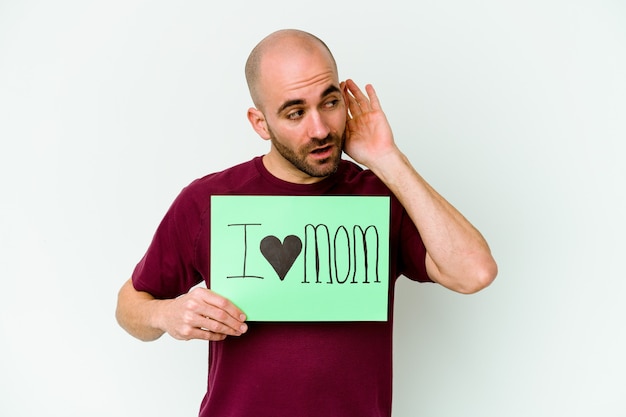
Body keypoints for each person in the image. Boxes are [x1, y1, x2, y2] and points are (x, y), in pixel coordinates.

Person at [116, 28, 497, 417]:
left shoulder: (381, 197)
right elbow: (129, 306)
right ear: (260, 123)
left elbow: (474, 272)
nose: (320, 129)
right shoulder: (206, 202)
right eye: (295, 112)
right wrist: (166, 314)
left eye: (329, 103)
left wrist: (386, 157)